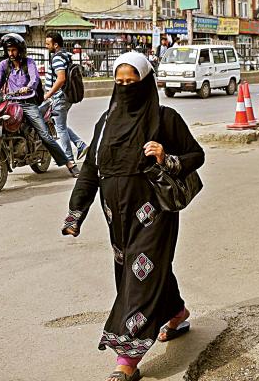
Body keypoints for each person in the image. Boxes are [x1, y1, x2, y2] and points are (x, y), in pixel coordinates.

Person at [62, 52, 205, 381]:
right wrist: (75, 213)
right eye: (120, 82)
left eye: (132, 82)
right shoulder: (105, 123)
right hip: (117, 218)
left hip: (154, 214)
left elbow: (195, 155)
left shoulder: (164, 119)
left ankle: (127, 360)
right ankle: (176, 312)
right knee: (141, 272)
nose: (126, 88)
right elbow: (90, 171)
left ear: (146, 83)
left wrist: (166, 157)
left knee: (138, 281)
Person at [0, 33, 79, 177]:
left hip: (28, 103)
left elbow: (35, 80)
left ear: (20, 50)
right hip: (10, 103)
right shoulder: (4, 65)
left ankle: (70, 164)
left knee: (45, 135)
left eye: (14, 50)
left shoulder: (29, 63)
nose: (11, 53)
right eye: (9, 50)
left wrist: (28, 87)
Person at [44, 32, 89, 165]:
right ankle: (80, 144)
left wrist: (48, 94)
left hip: (59, 97)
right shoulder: (66, 55)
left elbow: (61, 78)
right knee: (59, 125)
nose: (46, 46)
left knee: (60, 128)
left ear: (55, 44)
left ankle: (69, 159)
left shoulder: (57, 58)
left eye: (48, 44)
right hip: (66, 96)